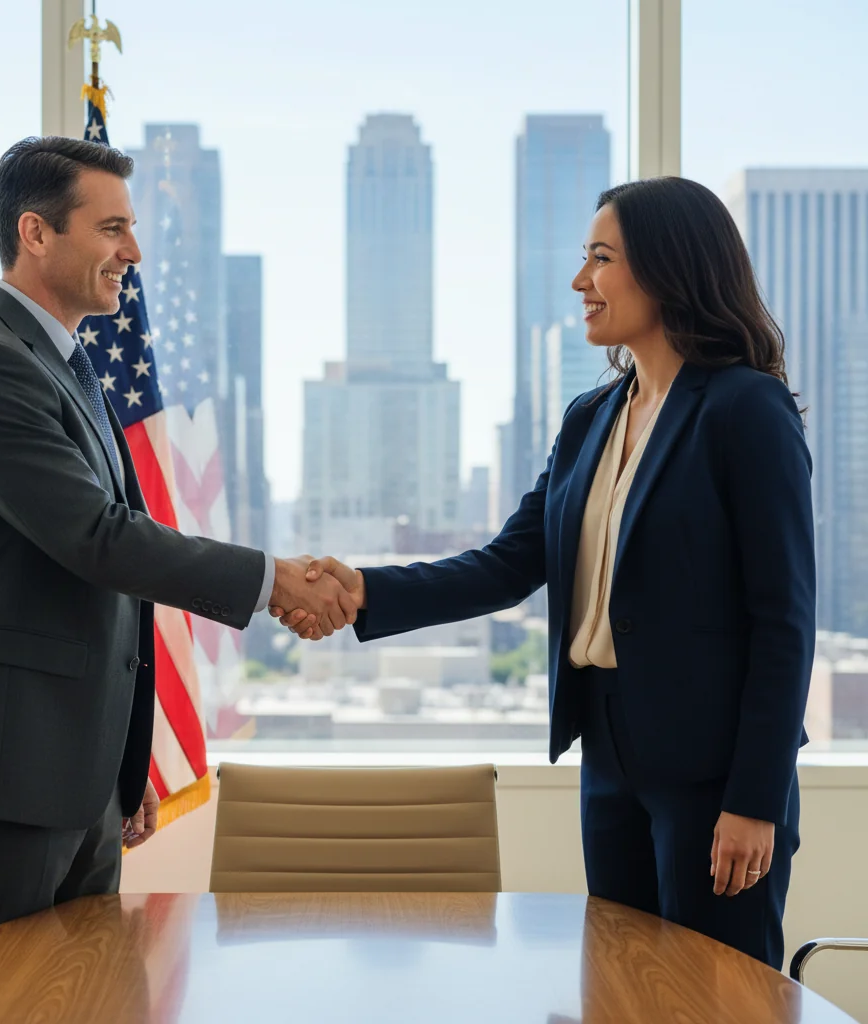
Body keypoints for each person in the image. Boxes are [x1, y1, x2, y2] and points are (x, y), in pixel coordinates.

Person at [274, 177, 816, 970]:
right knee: (618, 988)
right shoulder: (591, 418)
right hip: (609, 756)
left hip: (714, 774)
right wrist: (364, 591)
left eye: (600, 259)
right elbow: (509, 563)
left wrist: (755, 800)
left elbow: (785, 621)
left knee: (716, 996)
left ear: (668, 268)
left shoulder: (744, 409)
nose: (579, 282)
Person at [0, 136, 357, 952]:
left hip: (76, 778)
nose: (132, 253)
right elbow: (100, 541)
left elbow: (107, 587)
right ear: (36, 234)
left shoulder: (67, 366)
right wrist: (274, 579)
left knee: (81, 1003)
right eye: (111, 230)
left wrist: (124, 757)